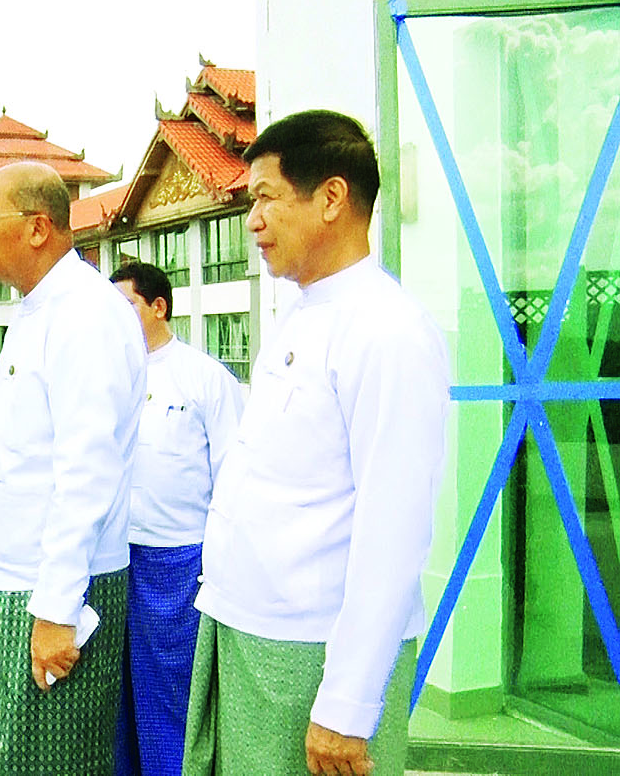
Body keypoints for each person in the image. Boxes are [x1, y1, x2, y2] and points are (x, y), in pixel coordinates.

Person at [182, 110, 450, 776]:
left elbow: (394, 531)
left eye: (265, 197)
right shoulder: (303, 313)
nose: (252, 221)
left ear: (331, 198)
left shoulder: (387, 332)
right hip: (247, 628)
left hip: (311, 652)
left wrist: (346, 705)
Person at [0, 161, 146, 774]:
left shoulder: (85, 315)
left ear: (38, 228)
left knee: (47, 761)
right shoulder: (40, 308)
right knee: (1, 756)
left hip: (52, 593)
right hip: (13, 580)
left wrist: (58, 611)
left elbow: (86, 474)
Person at [106, 263, 243, 776]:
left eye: (126, 307)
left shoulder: (205, 378)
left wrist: (218, 561)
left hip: (179, 561)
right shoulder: (107, 378)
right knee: (116, 691)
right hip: (115, 554)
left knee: (171, 691)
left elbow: (232, 476)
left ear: (158, 307)